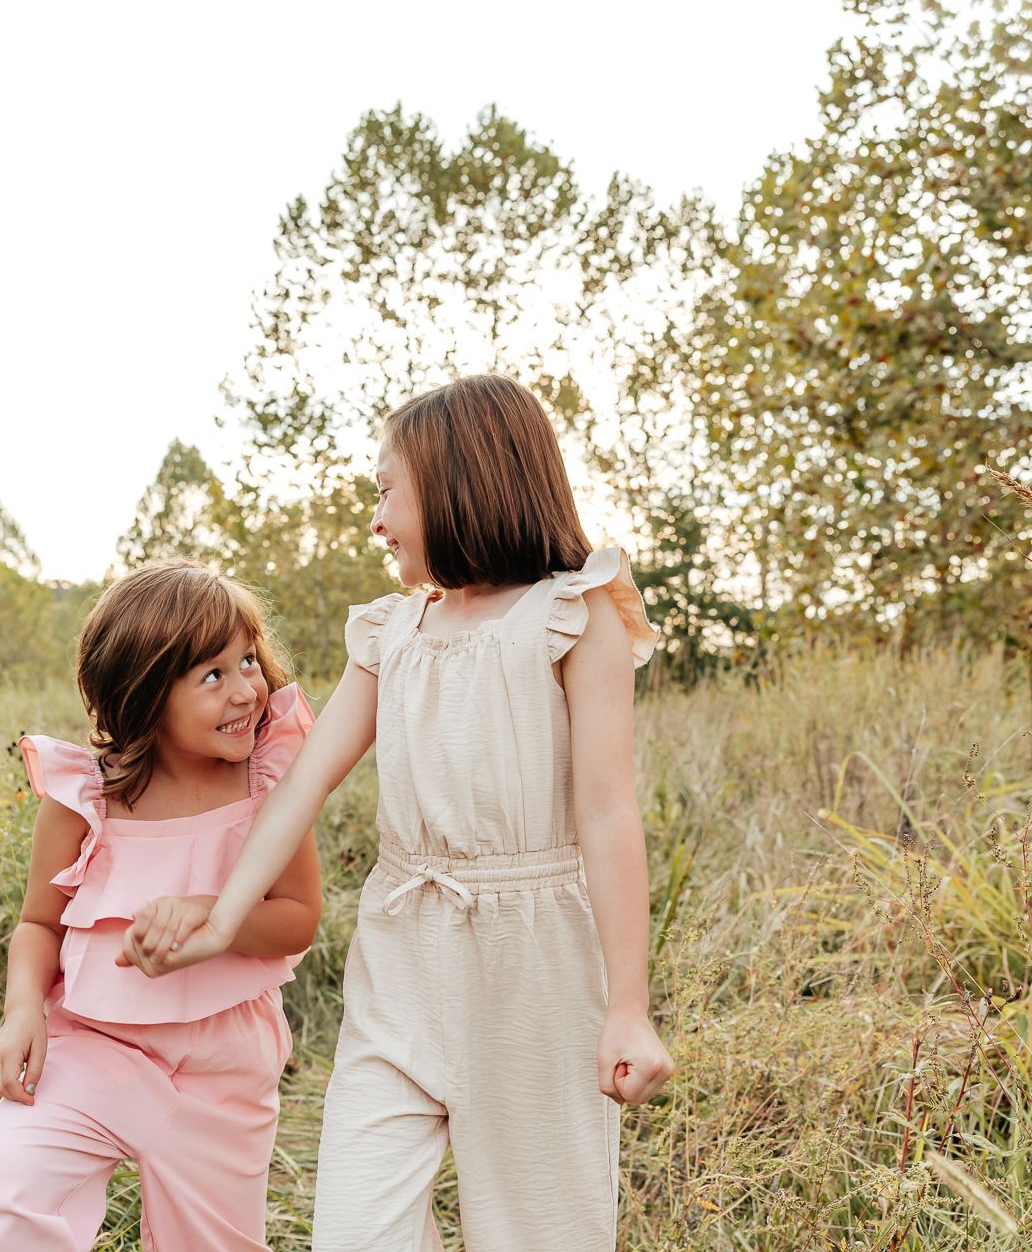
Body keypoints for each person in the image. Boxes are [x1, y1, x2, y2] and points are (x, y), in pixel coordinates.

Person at [121, 374, 678, 1250]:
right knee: (354, 1228)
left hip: (533, 970)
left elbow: (608, 815)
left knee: (543, 1231)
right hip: (402, 956)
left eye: (387, 491)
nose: (376, 520)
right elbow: (300, 784)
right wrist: (223, 916)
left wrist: (628, 1006)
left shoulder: (571, 614)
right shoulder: (393, 632)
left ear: (459, 481)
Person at [0, 559, 321, 1251]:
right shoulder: (85, 798)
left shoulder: (269, 782)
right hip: (93, 1048)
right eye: (212, 675)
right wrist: (22, 1011)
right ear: (144, 693)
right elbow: (38, 922)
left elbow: (298, 916)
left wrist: (216, 911)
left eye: (247, 660)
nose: (246, 690)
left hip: (224, 1066)